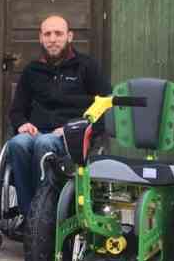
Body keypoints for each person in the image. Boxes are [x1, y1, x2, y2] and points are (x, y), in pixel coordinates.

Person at [7, 15, 111, 221]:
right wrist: (22, 124)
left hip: (73, 138)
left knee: (44, 143)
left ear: (69, 36)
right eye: (47, 34)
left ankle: (45, 214)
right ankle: (30, 216)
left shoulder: (87, 67)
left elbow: (106, 106)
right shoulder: (32, 71)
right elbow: (16, 110)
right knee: (17, 143)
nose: (53, 39)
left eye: (58, 34)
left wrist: (72, 129)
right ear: (40, 38)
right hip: (37, 132)